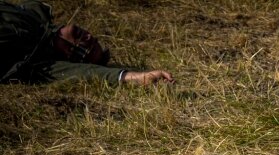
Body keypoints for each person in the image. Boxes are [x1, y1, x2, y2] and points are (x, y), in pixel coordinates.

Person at [1, 0, 173, 86]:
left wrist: (136, 77)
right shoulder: (36, 14)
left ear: (69, 54)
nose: (89, 36)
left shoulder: (35, 59)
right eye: (92, 40)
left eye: (87, 47)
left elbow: (84, 72)